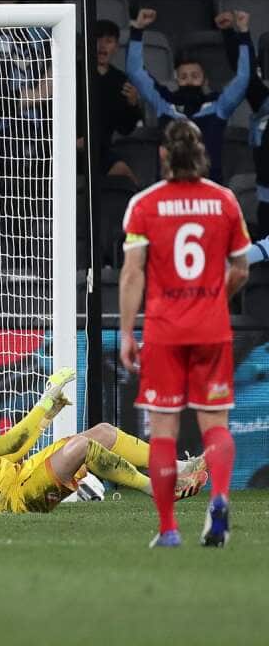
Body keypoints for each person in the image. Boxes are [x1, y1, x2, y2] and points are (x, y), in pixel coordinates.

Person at [119, 119, 251, 548]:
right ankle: (218, 499)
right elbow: (241, 269)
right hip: (212, 327)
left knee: (163, 432)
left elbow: (132, 274)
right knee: (216, 424)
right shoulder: (226, 200)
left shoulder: (144, 204)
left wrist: (125, 332)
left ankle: (169, 528)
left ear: (162, 154)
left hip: (164, 331)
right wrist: (214, 297)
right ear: (201, 153)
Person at [0, 368, 208, 515]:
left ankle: (178, 467)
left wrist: (48, 415)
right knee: (83, 447)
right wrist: (43, 403)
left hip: (21, 477)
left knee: (104, 432)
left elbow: (12, 454)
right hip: (13, 503)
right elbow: (6, 444)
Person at [125, 8, 251, 184]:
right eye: (183, 77)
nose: (189, 81)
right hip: (169, 191)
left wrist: (244, 33)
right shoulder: (164, 102)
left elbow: (244, 78)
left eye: (195, 76)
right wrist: (137, 30)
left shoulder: (219, 105)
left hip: (208, 191)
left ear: (205, 80)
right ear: (176, 80)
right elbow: (135, 72)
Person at [79, 19, 144, 183]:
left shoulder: (120, 80)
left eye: (108, 41)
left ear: (116, 47)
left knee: (127, 180)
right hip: (67, 148)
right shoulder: (73, 70)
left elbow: (125, 129)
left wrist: (132, 104)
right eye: (97, 40)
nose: (102, 45)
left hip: (100, 151)